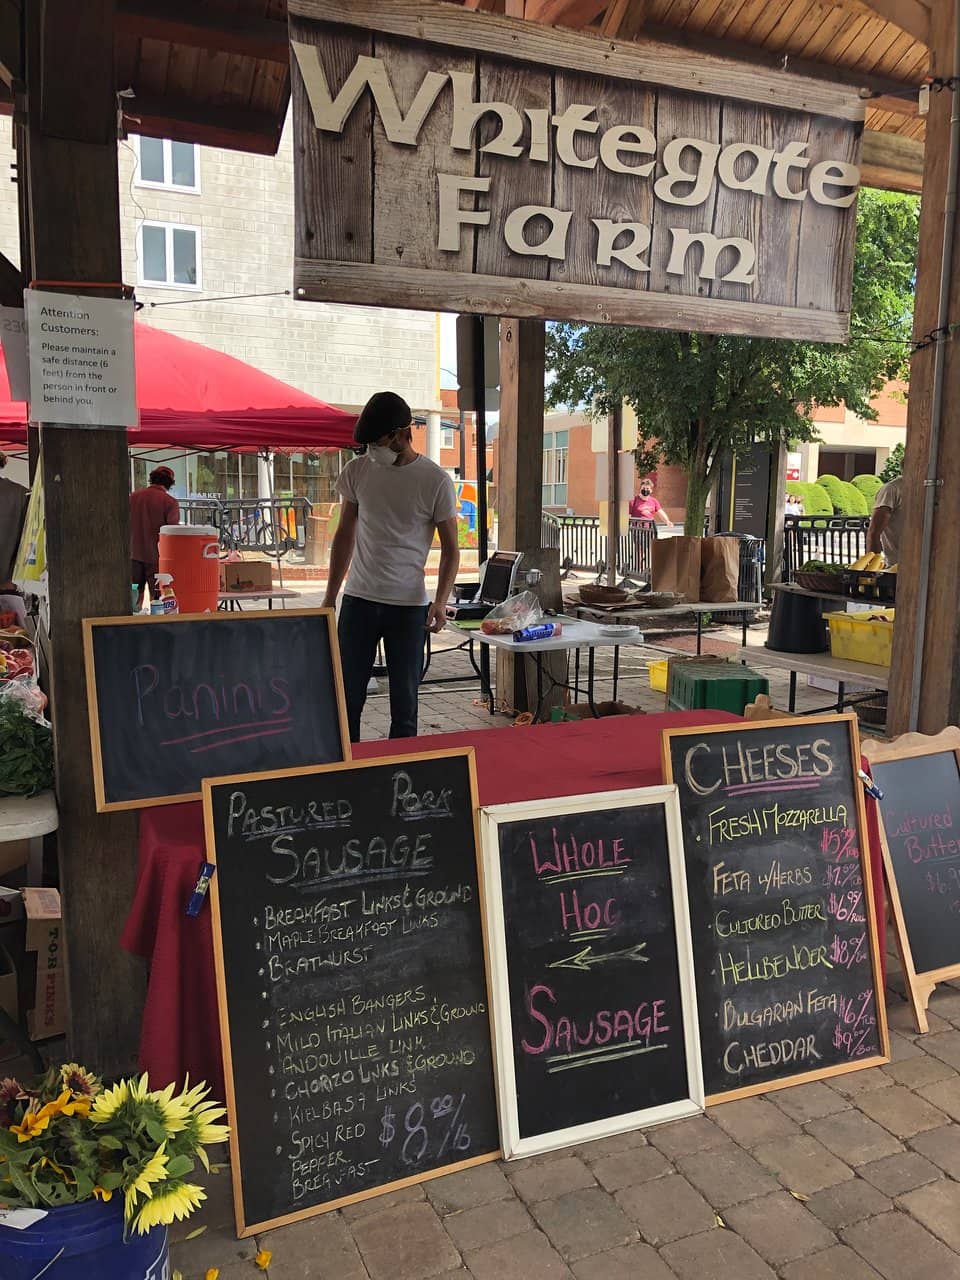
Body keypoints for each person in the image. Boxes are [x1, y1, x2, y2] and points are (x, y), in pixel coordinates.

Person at [323, 391, 459, 742]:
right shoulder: (358, 471)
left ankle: (402, 781)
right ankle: (347, 777)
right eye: (366, 444)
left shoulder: (435, 481)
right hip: (358, 602)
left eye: (378, 441)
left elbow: (451, 550)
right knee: (345, 701)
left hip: (408, 608)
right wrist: (329, 597)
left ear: (402, 433)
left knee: (405, 706)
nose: (372, 450)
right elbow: (344, 537)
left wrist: (441, 601)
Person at [130, 465, 180, 609]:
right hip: (158, 558)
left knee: (134, 597)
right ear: (169, 483)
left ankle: (133, 624)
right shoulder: (170, 502)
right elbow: (171, 532)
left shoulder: (133, 497)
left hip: (133, 555)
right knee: (158, 599)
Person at [867, 473, 902, 565]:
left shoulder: (931, 488)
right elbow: (874, 533)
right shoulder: (892, 489)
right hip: (896, 565)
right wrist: (872, 568)